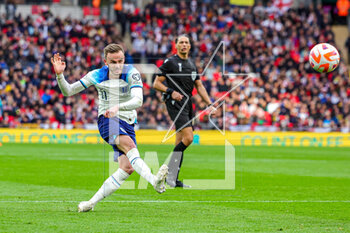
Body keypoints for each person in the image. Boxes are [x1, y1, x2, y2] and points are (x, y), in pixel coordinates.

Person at [51, 43, 168, 212]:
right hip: (107, 120)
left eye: (120, 60)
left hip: (127, 121)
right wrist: (60, 76)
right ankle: (154, 180)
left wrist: (118, 107)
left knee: (126, 168)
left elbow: (138, 101)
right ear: (105, 62)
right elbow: (68, 91)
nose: (117, 65)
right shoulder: (96, 75)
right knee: (130, 147)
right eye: (113, 62)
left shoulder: (132, 73)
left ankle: (90, 203)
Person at [153, 35, 216, 188]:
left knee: (180, 140)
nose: (184, 45)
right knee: (188, 138)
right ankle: (165, 172)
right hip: (175, 102)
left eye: (186, 42)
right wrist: (170, 91)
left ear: (189, 46)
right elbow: (156, 83)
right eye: (181, 42)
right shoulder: (170, 62)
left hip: (188, 103)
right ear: (176, 45)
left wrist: (209, 103)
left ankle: (172, 179)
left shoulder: (191, 65)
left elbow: (199, 86)